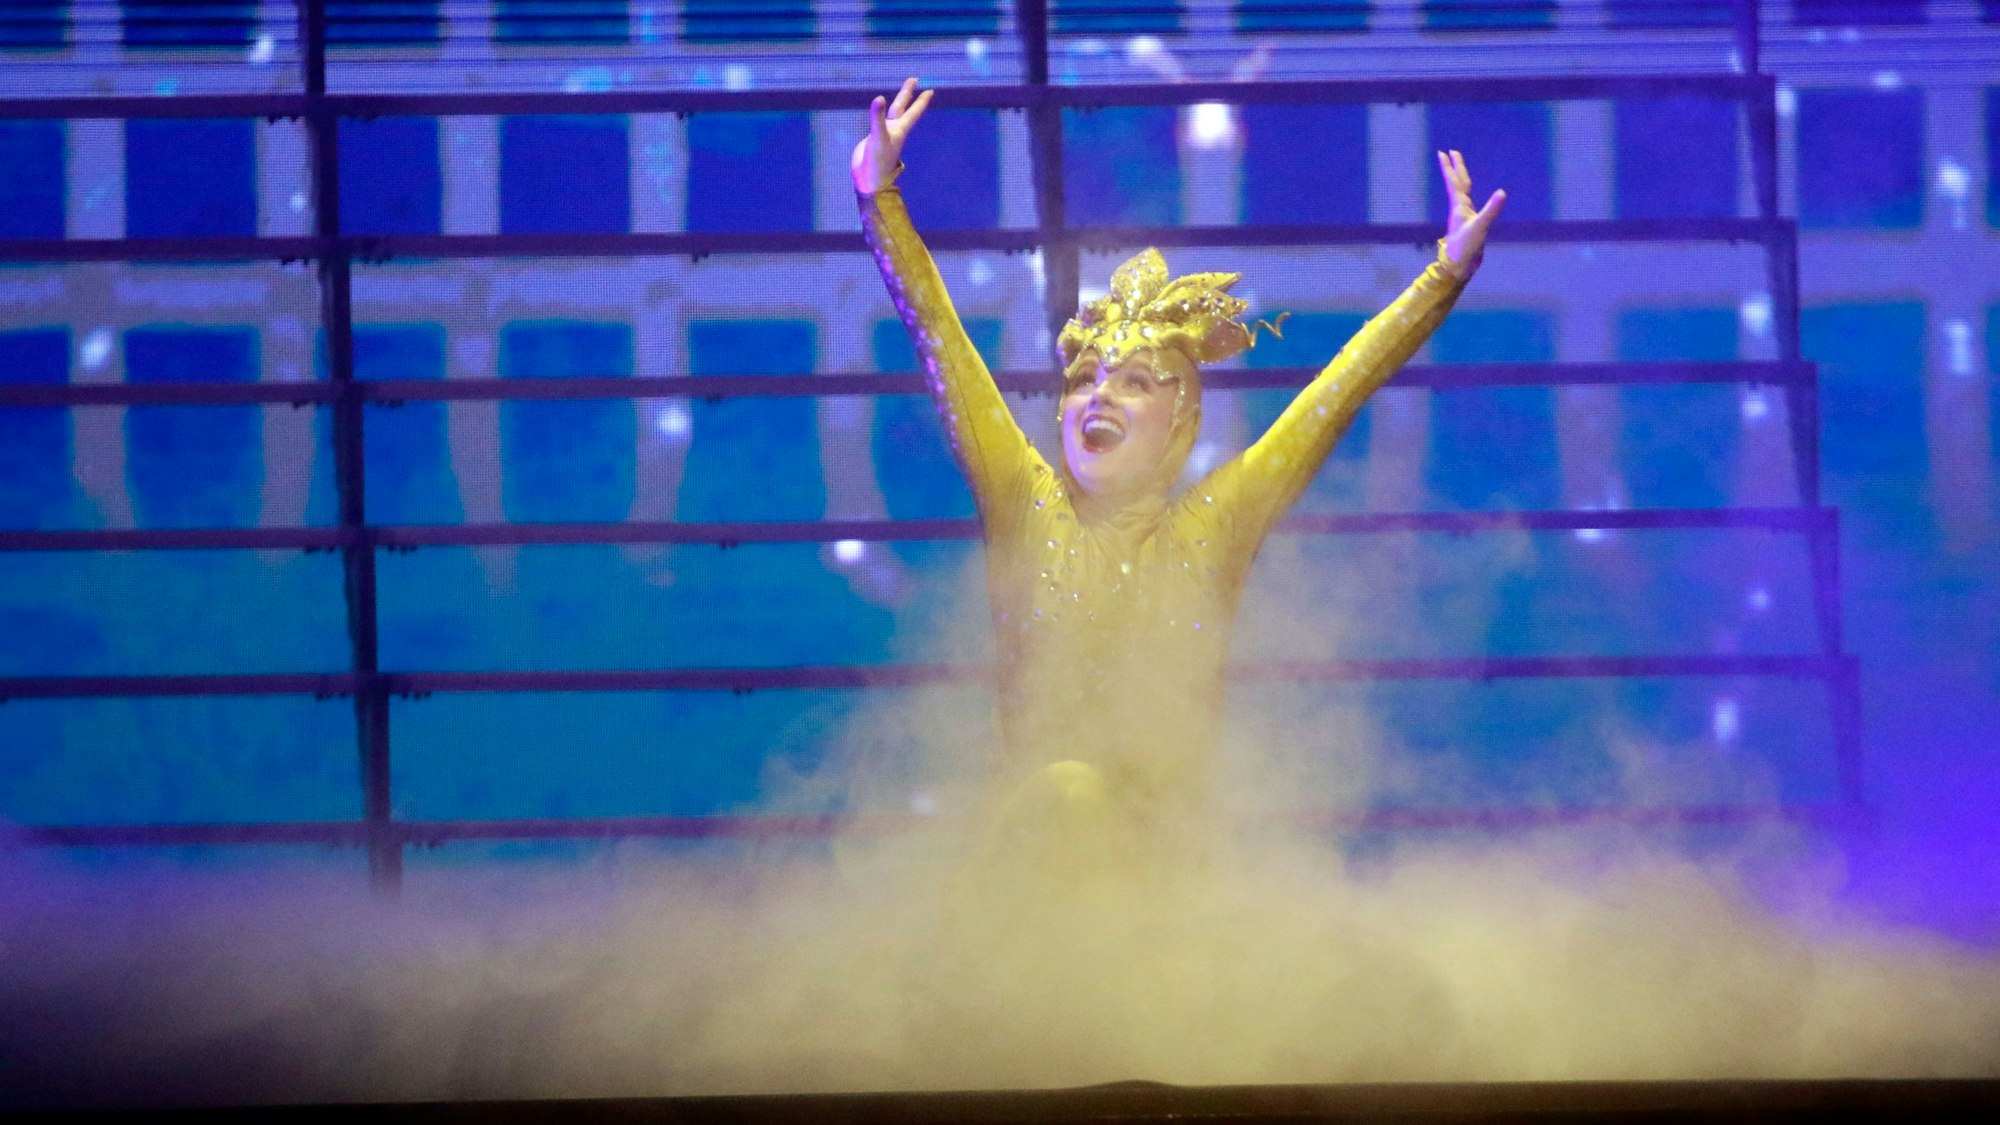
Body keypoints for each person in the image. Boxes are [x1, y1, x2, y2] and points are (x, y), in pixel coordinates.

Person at [854, 78, 1504, 856]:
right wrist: (878, 195)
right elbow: (941, 339)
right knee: (1068, 792)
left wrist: (1444, 275)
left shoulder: (1215, 524)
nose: (1099, 397)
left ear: (1184, 422)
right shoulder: (1024, 501)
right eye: (1086, 378)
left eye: (1134, 382)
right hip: (1030, 888)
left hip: (1170, 885)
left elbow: (1337, 392)